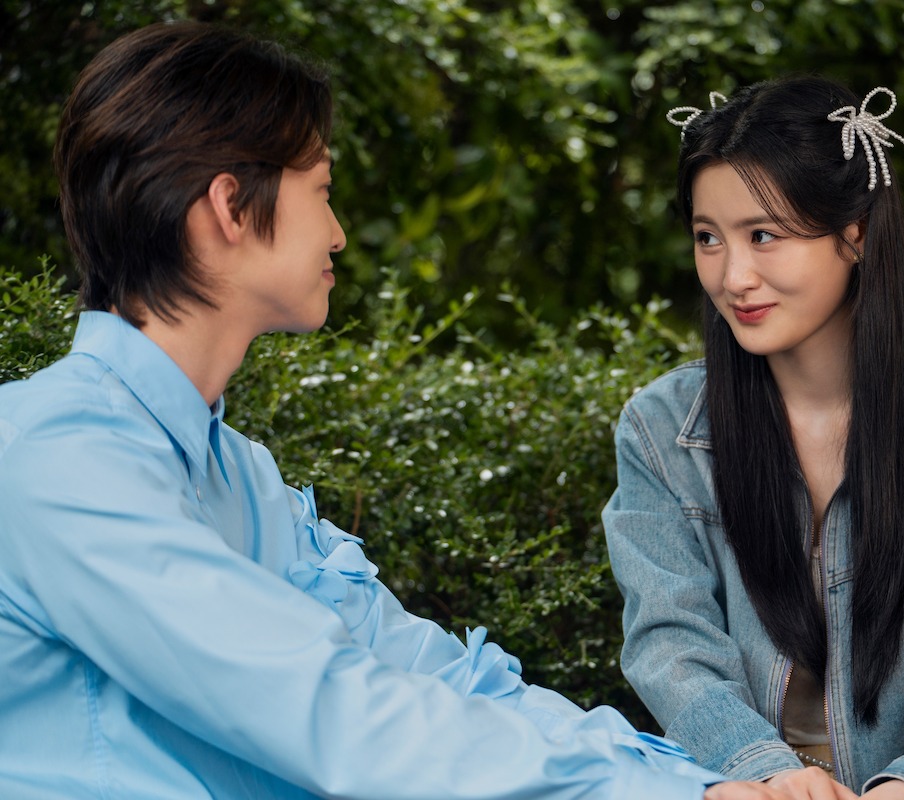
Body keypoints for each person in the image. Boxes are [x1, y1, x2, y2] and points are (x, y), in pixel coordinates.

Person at [0, 21, 791, 800]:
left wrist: (705, 785)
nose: (339, 234)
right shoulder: (56, 458)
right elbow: (336, 713)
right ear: (230, 209)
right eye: (323, 191)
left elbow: (438, 674)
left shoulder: (239, 475)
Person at [602, 76, 904, 800]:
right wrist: (766, 774)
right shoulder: (661, 430)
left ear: (856, 232)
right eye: (707, 238)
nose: (734, 276)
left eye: (764, 235)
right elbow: (671, 644)